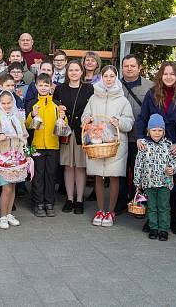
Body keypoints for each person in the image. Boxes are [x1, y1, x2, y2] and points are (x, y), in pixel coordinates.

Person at [136, 61, 176, 235]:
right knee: (152, 184)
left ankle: (174, 220)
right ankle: (152, 220)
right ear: (160, 75)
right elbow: (142, 118)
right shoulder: (152, 94)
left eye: (172, 74)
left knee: (172, 183)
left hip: (173, 144)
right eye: (165, 74)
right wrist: (140, 137)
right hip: (153, 144)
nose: (169, 77)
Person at [82, 66, 134, 227]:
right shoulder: (93, 98)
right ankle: (100, 210)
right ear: (102, 78)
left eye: (112, 76)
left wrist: (120, 122)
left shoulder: (122, 100)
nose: (109, 79)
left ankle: (110, 211)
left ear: (116, 78)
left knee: (114, 176)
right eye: (106, 76)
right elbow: (85, 116)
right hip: (97, 142)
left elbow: (129, 122)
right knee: (98, 176)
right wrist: (87, 119)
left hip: (115, 143)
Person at [53, 60, 93, 214]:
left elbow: (92, 108)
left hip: (81, 132)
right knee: (68, 166)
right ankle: (69, 198)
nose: (74, 73)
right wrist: (59, 109)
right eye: (71, 70)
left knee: (80, 167)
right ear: (67, 72)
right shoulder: (60, 89)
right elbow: (55, 107)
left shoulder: (89, 88)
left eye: (77, 70)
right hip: (66, 132)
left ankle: (80, 200)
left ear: (81, 72)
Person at [0, 90, 29, 229]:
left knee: (13, 186)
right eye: (3, 103)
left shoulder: (17, 117)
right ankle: (3, 216)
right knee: (6, 188)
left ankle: (9, 214)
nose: (6, 106)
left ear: (13, 102)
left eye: (9, 103)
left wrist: (23, 148)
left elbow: (24, 134)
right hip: (2, 158)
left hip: (16, 158)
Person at [134, 114, 176, 241]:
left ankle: (164, 229)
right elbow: (138, 164)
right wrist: (137, 182)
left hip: (164, 183)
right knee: (152, 207)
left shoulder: (168, 145)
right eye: (154, 130)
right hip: (148, 183)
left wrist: (172, 168)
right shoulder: (144, 146)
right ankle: (153, 227)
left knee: (164, 207)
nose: (157, 133)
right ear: (148, 131)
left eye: (160, 130)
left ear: (164, 132)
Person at [26, 73, 66, 217]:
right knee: (37, 175)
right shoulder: (32, 103)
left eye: (46, 85)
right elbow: (27, 125)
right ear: (36, 86)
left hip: (53, 145)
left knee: (50, 174)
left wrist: (63, 118)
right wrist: (32, 114)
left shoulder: (56, 104)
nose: (43, 88)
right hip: (36, 145)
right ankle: (38, 203)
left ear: (51, 87)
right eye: (40, 85)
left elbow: (63, 126)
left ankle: (49, 202)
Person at [120, 54, 154, 207]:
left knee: (139, 171)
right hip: (120, 137)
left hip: (140, 137)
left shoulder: (150, 86)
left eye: (132, 66)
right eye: (126, 66)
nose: (129, 69)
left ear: (139, 68)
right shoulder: (115, 85)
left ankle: (139, 203)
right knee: (120, 172)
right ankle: (120, 201)